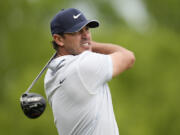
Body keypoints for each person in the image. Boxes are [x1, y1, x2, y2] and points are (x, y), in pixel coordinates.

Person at [44, 8, 135, 135]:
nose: (86, 35)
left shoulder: (51, 73)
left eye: (87, 29)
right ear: (59, 39)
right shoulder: (83, 65)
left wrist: (84, 45)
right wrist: (91, 44)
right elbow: (128, 57)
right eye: (77, 32)